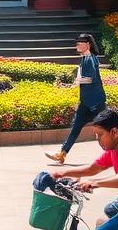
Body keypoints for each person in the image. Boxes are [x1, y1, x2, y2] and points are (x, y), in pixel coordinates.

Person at [46, 33, 107, 164]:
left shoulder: (90, 59)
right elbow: (83, 80)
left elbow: (91, 79)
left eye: (80, 42)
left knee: (108, 127)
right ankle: (62, 154)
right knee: (76, 127)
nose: (77, 45)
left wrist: (75, 82)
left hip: (96, 102)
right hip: (86, 102)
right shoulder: (85, 58)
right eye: (77, 42)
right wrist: (71, 84)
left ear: (88, 45)